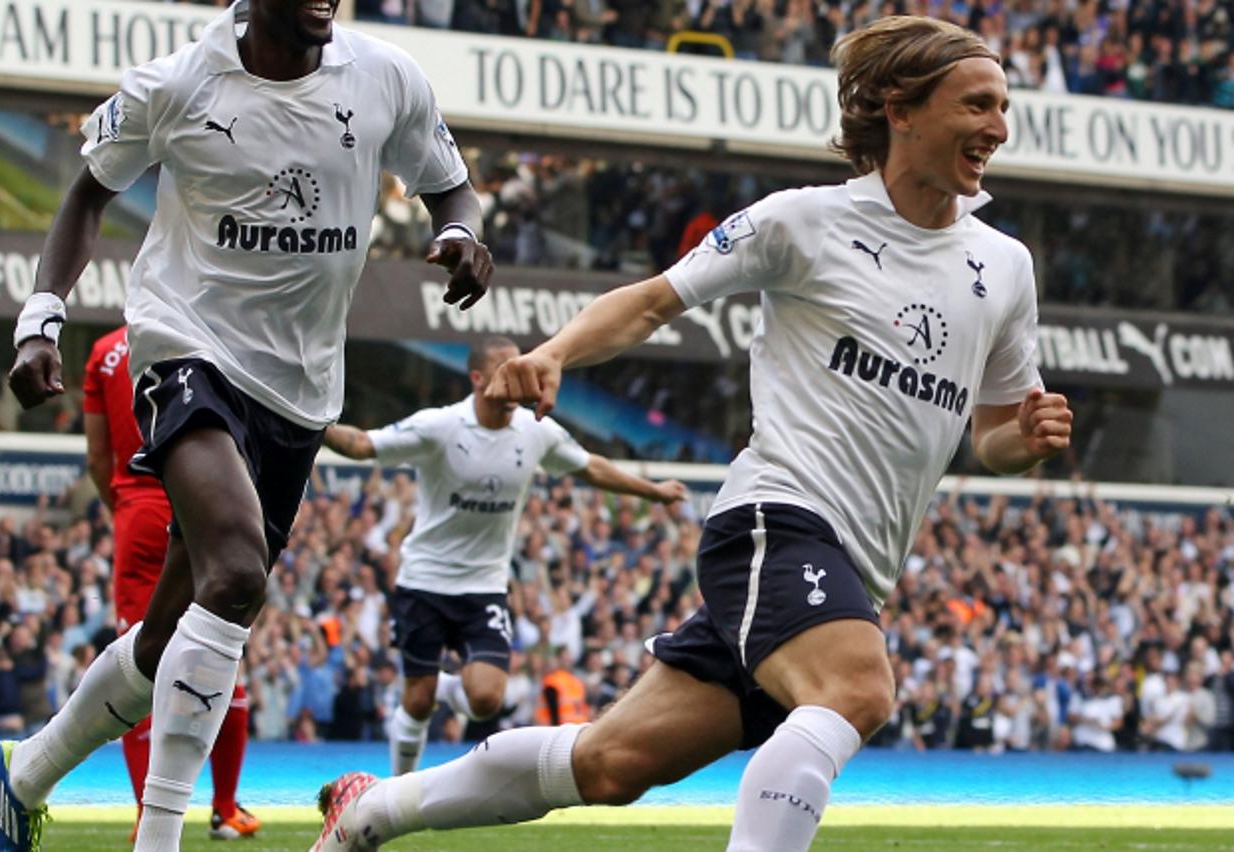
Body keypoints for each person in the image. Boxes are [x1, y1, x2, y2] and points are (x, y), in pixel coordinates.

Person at [311, 16, 1072, 852]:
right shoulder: (802, 223)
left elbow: (993, 435)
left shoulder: (1005, 266)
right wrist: (555, 353)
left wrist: (1025, 437)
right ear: (901, 110)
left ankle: (371, 812)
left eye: (1003, 107)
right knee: (857, 690)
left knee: (609, 763)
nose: (998, 127)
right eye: (977, 105)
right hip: (777, 521)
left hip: (858, 567)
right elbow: (652, 301)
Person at [0, 0, 492, 848]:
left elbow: (452, 185)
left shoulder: (386, 77)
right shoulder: (177, 84)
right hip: (184, 345)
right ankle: (160, 838)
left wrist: (461, 230)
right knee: (234, 572)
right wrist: (41, 319)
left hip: (300, 390)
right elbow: (87, 194)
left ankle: (25, 772)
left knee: (164, 641)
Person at [323, 335, 685, 774]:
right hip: (425, 581)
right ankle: (399, 788)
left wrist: (653, 491)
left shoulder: (536, 431)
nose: (520, 376)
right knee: (416, 702)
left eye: (522, 366)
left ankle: (446, 690)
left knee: (486, 700)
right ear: (477, 378)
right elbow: (363, 445)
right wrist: (311, 424)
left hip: (485, 586)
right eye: (505, 369)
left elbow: (590, 466)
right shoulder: (441, 426)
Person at [83, 325, 259, 841]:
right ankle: (225, 808)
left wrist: (126, 507)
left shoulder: (103, 353)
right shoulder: (205, 330)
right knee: (218, 644)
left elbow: (98, 457)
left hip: (138, 507)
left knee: (143, 655)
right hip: (206, 501)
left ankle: (148, 812)